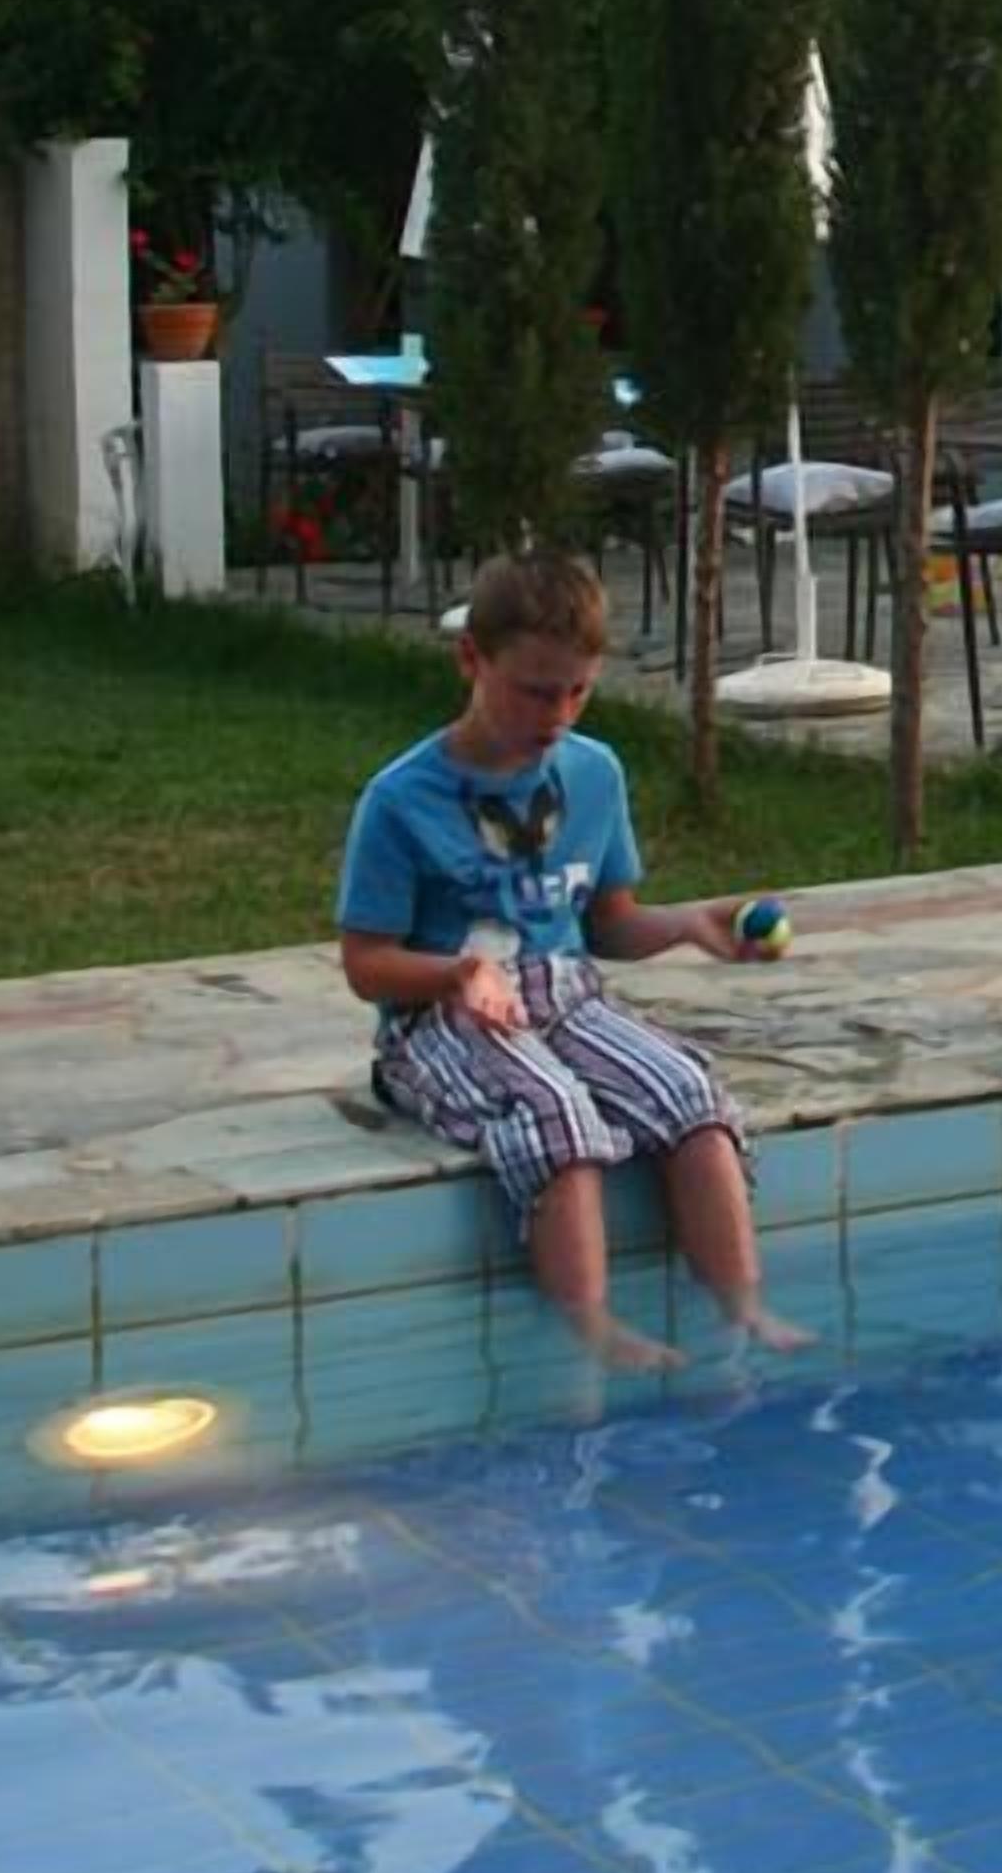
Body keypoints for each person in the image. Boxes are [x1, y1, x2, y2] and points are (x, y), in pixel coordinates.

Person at [336, 543, 801, 1367]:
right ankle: (587, 1327)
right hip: (438, 1017)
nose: (557, 715)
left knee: (691, 1094)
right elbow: (367, 963)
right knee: (555, 1111)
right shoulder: (402, 799)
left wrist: (692, 924)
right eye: (535, 691)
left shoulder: (594, 774)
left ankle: (740, 1310)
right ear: (471, 660)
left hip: (566, 995)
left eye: (578, 692)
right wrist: (458, 974)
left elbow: (607, 924)